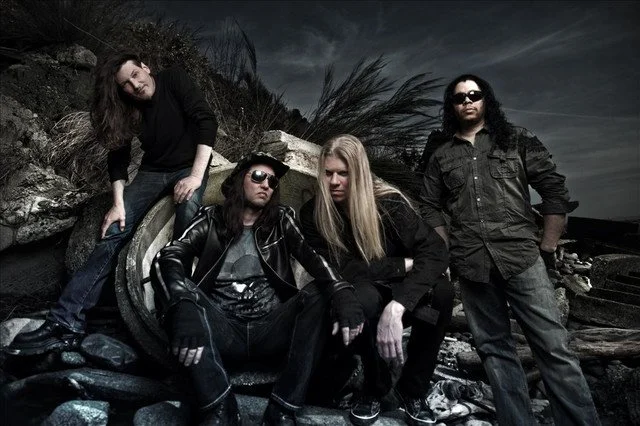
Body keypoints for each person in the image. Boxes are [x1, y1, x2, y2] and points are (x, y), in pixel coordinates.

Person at [7, 51, 218, 356]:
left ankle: (177, 317)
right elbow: (117, 158)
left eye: (135, 75)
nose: (134, 85)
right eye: (125, 85)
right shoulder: (128, 107)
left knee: (185, 227)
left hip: (189, 167)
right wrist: (118, 204)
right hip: (153, 172)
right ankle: (66, 320)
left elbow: (206, 120)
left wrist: (196, 177)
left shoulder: (174, 79)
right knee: (113, 231)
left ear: (145, 67)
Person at [420, 74, 600, 425]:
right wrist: (446, 249)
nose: (467, 101)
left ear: (486, 99)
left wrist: (547, 248)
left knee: (554, 348)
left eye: (474, 94)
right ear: (451, 106)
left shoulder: (516, 139)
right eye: (459, 97)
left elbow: (554, 191)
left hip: (522, 259)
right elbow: (428, 205)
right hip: (471, 264)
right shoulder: (442, 155)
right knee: (494, 351)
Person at [151, 151, 365, 425]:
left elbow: (311, 255)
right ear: (240, 179)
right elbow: (168, 256)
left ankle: (283, 408)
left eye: (272, 181)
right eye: (259, 176)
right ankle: (219, 406)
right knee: (182, 290)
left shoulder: (281, 219)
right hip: (223, 328)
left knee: (318, 293)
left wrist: (341, 290)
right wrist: (182, 305)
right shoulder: (211, 218)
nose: (266, 184)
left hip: (271, 328)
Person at [300, 135, 453, 426]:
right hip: (361, 294)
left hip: (399, 291)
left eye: (343, 173)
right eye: (328, 173)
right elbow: (340, 270)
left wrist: (397, 306)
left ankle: (413, 390)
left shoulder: (389, 204)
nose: (334, 181)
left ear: (358, 173)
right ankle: (373, 389)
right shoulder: (313, 214)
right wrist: (400, 265)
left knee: (443, 293)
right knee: (363, 297)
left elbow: (436, 252)